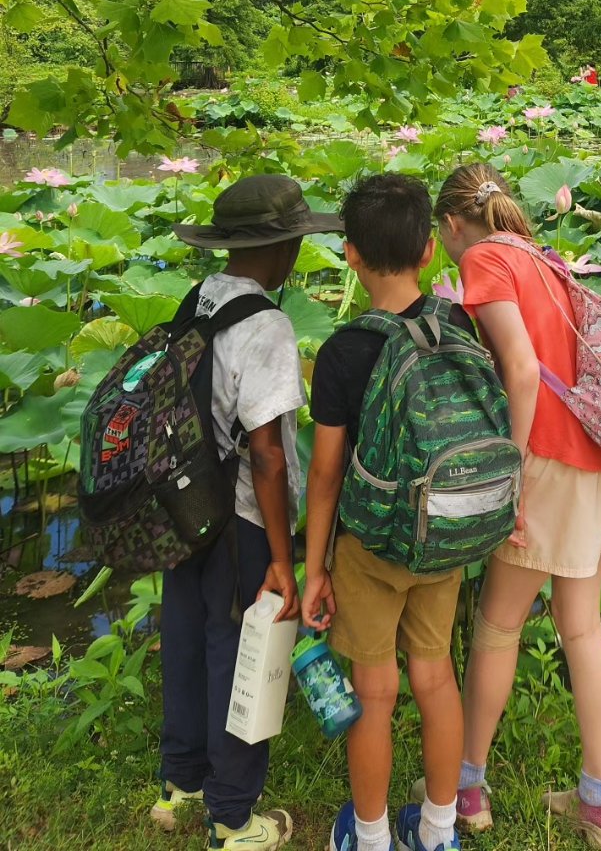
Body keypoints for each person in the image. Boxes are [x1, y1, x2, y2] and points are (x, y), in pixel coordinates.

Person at [429, 163, 601, 850]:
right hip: (595, 456)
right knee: (581, 629)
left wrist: (510, 474)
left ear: (450, 225)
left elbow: (521, 371)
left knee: (497, 625)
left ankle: (467, 790)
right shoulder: (540, 257)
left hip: (546, 459)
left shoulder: (487, 260)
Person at [154, 174, 343, 849]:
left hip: (183, 507)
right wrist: (284, 559)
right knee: (239, 653)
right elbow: (267, 453)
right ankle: (234, 819)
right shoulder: (266, 324)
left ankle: (181, 781)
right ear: (286, 246)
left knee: (185, 632)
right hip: (240, 519)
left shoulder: (197, 299)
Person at [302, 173, 473, 851]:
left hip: (370, 546)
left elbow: (324, 474)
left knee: (374, 692)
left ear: (349, 254)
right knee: (435, 679)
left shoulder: (343, 352)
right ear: (430, 251)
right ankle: (437, 833)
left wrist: (316, 568)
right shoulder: (458, 325)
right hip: (444, 537)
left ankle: (370, 838)